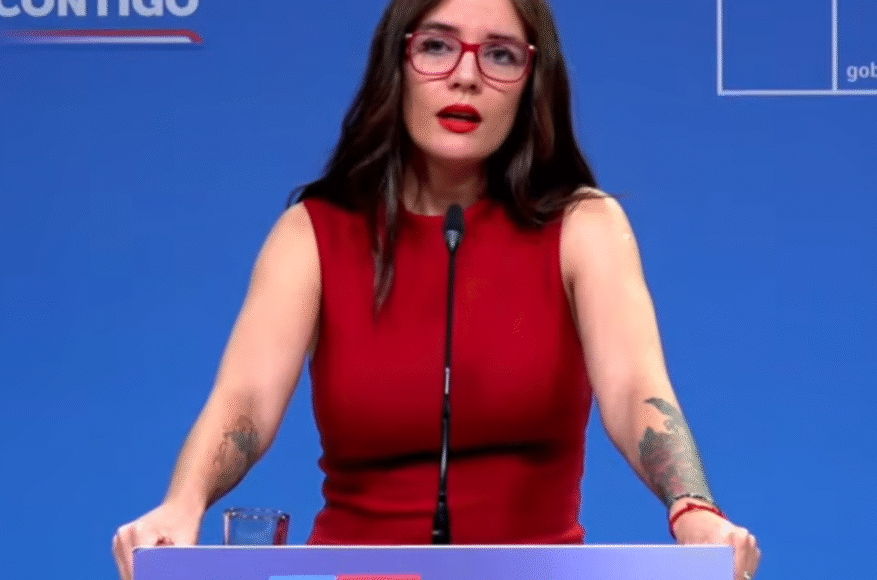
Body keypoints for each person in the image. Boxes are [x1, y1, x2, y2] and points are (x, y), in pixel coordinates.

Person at [112, 0, 762, 578]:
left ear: (532, 82)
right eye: (437, 45)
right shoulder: (313, 233)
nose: (466, 75)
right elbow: (246, 400)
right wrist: (183, 504)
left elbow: (635, 390)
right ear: (397, 65)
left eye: (500, 54)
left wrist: (693, 510)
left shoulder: (584, 226)